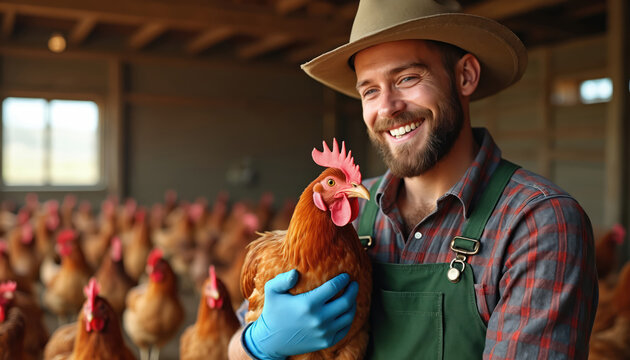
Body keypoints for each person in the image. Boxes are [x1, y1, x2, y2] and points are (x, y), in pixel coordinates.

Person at [228, 0, 599, 359]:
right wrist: (258, 346)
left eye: (407, 78)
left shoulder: (535, 223)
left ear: (465, 76)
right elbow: (232, 347)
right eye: (370, 90)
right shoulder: (351, 211)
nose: (387, 107)